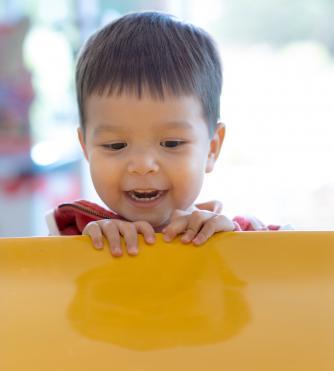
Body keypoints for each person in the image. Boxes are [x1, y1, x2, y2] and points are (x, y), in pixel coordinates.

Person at [46, 11, 289, 257]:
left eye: (171, 143)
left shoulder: (240, 233)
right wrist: (84, 251)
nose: (142, 166)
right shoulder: (71, 233)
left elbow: (303, 269)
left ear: (212, 148)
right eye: (116, 145)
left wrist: (236, 246)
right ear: (86, 147)